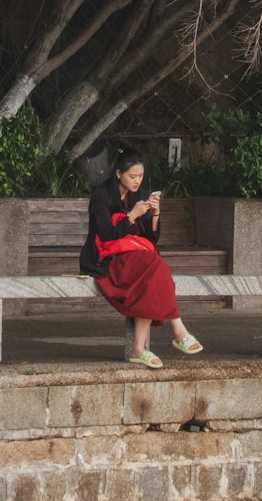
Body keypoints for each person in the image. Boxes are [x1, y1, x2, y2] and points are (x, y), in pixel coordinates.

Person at [80, 146, 204, 368]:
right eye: (132, 176)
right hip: (108, 259)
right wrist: (131, 216)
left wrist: (155, 214)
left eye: (141, 176)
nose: (137, 181)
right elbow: (106, 235)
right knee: (156, 268)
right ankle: (177, 330)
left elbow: (150, 238)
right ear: (119, 174)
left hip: (136, 256)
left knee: (154, 271)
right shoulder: (101, 195)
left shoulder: (141, 194)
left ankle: (140, 349)